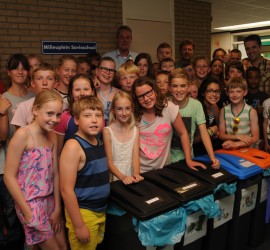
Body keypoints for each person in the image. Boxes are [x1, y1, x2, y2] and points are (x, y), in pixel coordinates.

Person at [4, 90, 67, 249]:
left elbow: (55, 173)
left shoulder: (51, 135)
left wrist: (58, 207)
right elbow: (9, 176)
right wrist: (27, 211)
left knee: (64, 247)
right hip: (30, 203)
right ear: (35, 110)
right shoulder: (22, 135)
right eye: (49, 113)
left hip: (49, 201)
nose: (54, 120)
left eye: (58, 115)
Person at [60, 96, 110, 250]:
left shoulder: (97, 141)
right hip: (84, 213)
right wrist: (79, 225)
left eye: (98, 115)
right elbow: (66, 190)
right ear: (76, 120)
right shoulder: (73, 146)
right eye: (87, 116)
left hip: (100, 210)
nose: (94, 120)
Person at [132, 76, 208, 172]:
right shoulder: (134, 116)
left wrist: (189, 160)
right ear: (136, 99)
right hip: (141, 170)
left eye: (148, 93)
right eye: (141, 96)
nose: (146, 98)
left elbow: (183, 133)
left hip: (164, 168)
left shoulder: (168, 108)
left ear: (155, 91)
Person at [1, 53, 35, 249]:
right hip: (14, 166)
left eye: (24, 67)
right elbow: (3, 136)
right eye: (16, 67)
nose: (20, 71)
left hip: (34, 166)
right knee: (14, 214)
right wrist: (3, 112)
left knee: (32, 212)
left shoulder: (34, 96)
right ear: (9, 72)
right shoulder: (4, 99)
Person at [168, 69, 220, 167]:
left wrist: (212, 157)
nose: (179, 90)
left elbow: (204, 133)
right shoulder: (165, 105)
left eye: (183, 86)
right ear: (169, 88)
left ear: (188, 87)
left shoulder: (196, 105)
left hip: (188, 158)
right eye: (175, 86)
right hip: (167, 160)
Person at [103, 91, 143, 184]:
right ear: (113, 110)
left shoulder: (135, 130)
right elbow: (109, 162)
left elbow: (135, 157)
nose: (124, 113)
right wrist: (123, 177)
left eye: (127, 108)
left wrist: (136, 174)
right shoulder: (107, 131)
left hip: (130, 174)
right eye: (120, 109)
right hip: (115, 176)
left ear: (132, 109)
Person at [54, 73, 96, 155]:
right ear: (71, 93)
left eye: (86, 89)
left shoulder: (99, 116)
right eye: (77, 90)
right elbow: (58, 152)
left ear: (92, 92)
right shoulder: (64, 118)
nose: (82, 93)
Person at [11, 63, 57, 128]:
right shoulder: (23, 107)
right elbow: (19, 136)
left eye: (49, 79)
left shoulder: (63, 106)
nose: (44, 83)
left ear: (55, 83)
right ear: (32, 83)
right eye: (39, 78)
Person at [219, 77, 259, 150]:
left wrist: (236, 144)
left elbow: (255, 138)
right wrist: (237, 136)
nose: (235, 95)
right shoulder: (223, 111)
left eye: (238, 91)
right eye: (231, 91)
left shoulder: (251, 111)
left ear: (245, 92)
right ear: (227, 93)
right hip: (230, 150)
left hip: (248, 150)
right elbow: (221, 135)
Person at [194, 77, 222, 155]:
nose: (214, 94)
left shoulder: (214, 107)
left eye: (217, 91)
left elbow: (218, 130)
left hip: (207, 149)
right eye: (210, 91)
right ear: (203, 92)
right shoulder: (197, 106)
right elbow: (191, 140)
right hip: (195, 151)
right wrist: (210, 131)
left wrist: (214, 134)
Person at [245, 66, 269, 144]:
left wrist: (262, 112)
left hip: (261, 135)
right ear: (246, 78)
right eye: (250, 78)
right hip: (245, 134)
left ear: (260, 79)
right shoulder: (242, 96)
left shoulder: (265, 97)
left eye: (256, 78)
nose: (253, 80)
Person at [95, 57, 119, 125]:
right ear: (97, 71)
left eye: (111, 70)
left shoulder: (120, 93)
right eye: (104, 69)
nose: (108, 73)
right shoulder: (90, 92)